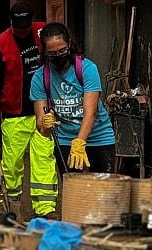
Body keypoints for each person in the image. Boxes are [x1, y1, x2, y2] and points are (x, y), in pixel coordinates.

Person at [0, 2, 57, 220]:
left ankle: (45, 213)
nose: (23, 30)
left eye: (26, 25)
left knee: (44, 160)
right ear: (11, 22)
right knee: (11, 166)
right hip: (15, 113)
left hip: (44, 110)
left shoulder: (43, 32)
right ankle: (10, 211)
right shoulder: (0, 43)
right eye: (18, 26)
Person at [30, 22, 116, 174]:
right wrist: (44, 124)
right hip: (64, 139)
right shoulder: (40, 77)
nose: (58, 55)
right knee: (73, 190)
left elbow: (90, 112)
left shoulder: (87, 69)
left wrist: (80, 142)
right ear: (44, 52)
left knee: (103, 190)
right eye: (52, 53)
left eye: (62, 50)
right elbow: (40, 122)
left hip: (99, 136)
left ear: (69, 44)